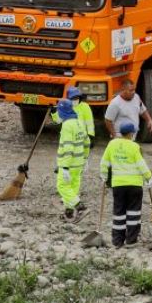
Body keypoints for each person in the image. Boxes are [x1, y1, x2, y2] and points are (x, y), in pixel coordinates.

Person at [100, 118, 151, 247]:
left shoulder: (112, 144)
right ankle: (131, 240)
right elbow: (141, 164)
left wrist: (104, 176)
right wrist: (148, 177)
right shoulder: (135, 146)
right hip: (134, 186)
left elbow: (104, 162)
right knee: (133, 212)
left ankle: (117, 241)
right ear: (131, 134)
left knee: (119, 213)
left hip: (118, 185)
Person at [53, 89, 92, 219]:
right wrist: (86, 159)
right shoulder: (79, 122)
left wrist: (64, 167)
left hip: (69, 164)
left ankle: (80, 207)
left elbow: (68, 148)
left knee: (62, 186)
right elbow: (87, 142)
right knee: (73, 187)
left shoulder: (67, 126)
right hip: (79, 162)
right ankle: (68, 213)